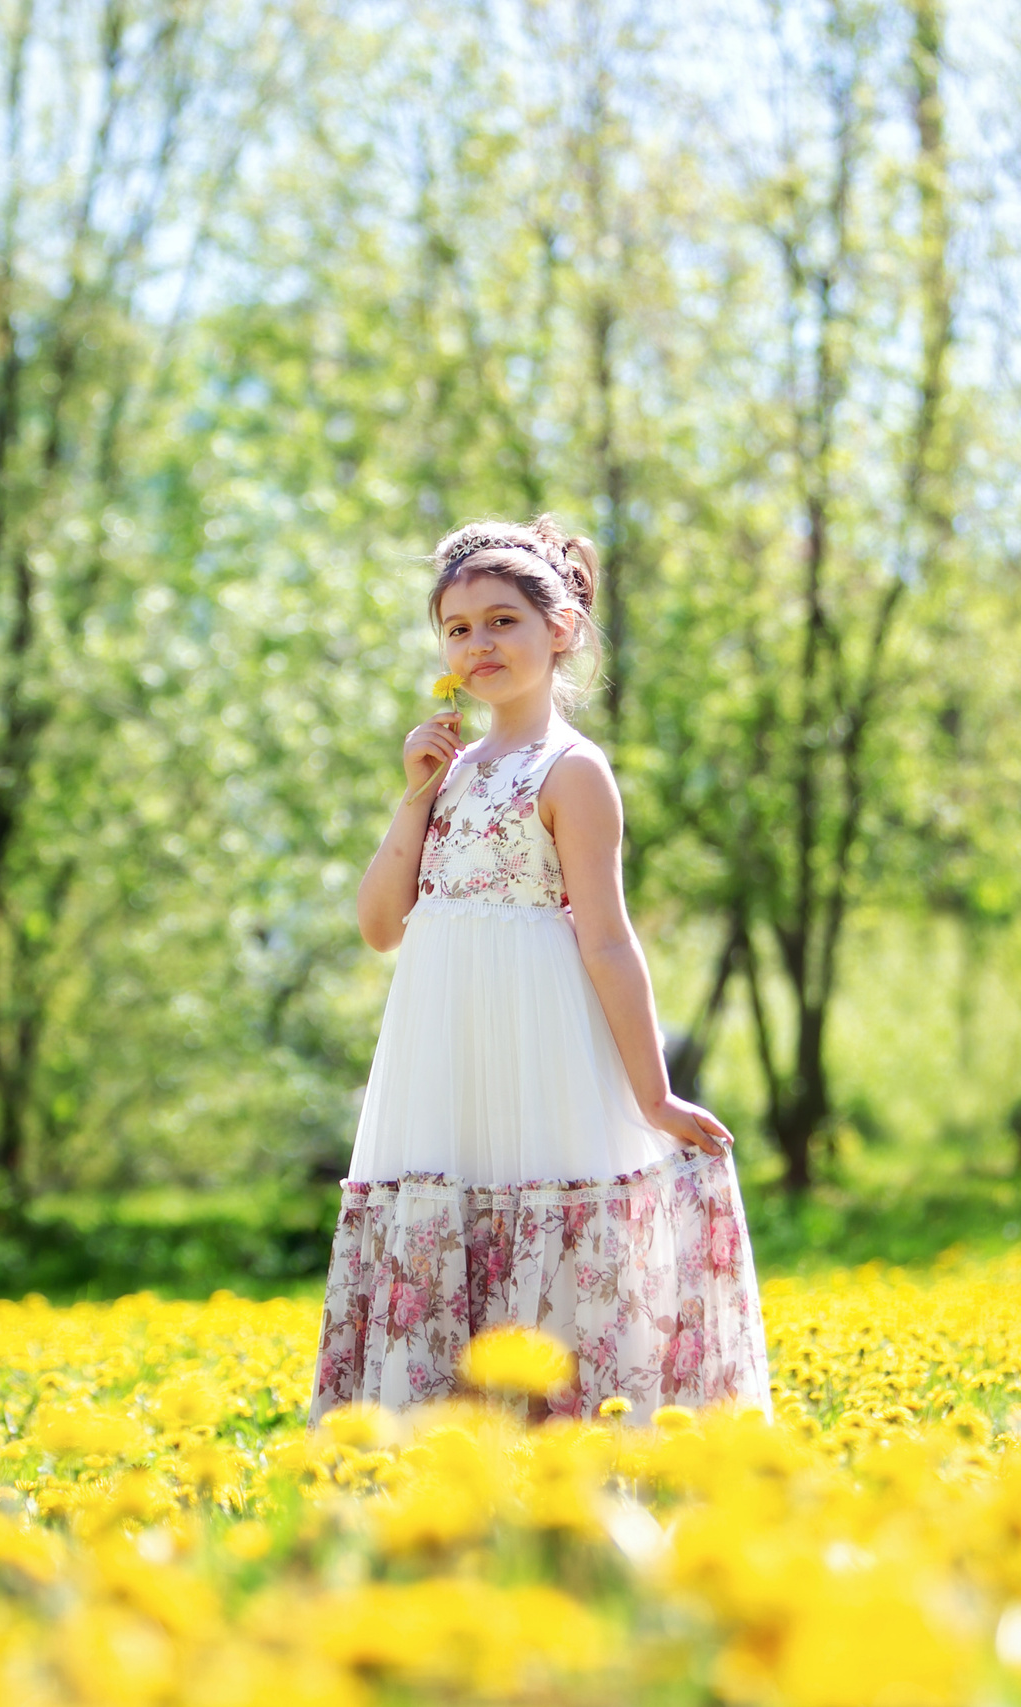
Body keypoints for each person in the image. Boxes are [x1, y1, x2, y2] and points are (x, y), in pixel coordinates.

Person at [308, 516, 770, 1423]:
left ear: (559, 629)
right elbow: (379, 926)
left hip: (540, 1052)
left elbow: (608, 940)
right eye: (458, 628)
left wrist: (653, 1096)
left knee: (543, 1231)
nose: (478, 643)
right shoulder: (446, 769)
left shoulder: (572, 770)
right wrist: (414, 792)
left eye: (502, 621)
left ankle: (566, 1453)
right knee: (449, 1220)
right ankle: (442, 1457)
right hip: (444, 1059)